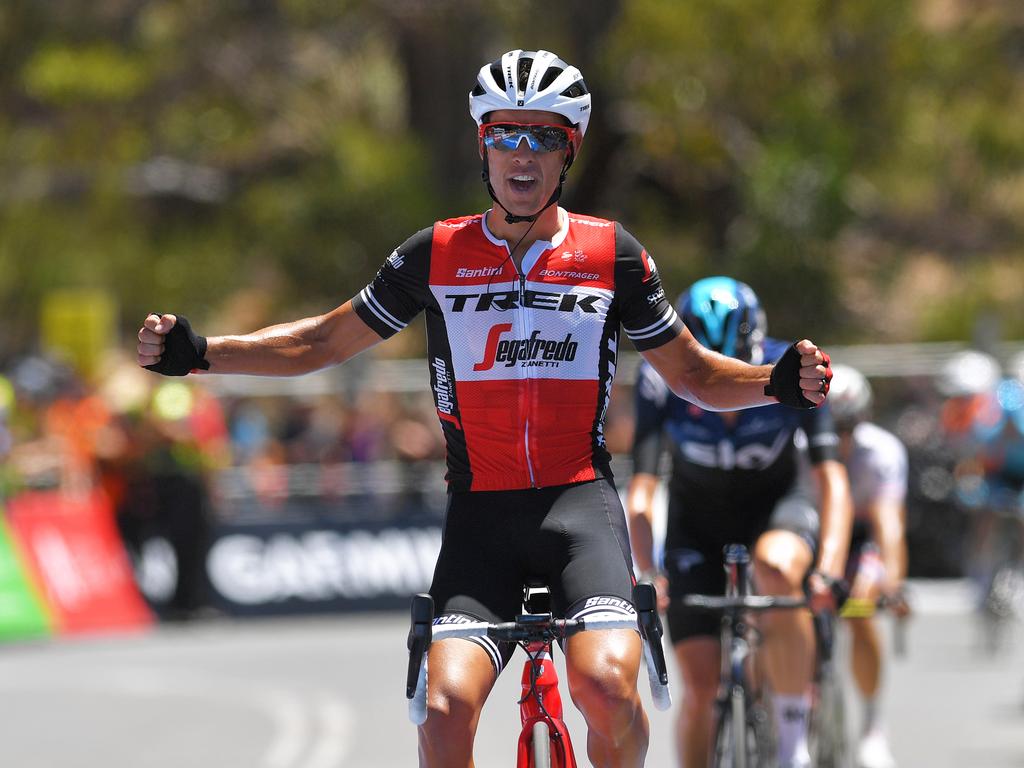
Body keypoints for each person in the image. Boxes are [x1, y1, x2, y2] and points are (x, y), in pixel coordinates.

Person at [137, 50, 833, 768]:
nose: (522, 155)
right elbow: (321, 341)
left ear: (571, 149)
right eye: (506, 135)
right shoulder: (434, 253)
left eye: (543, 137)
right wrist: (202, 352)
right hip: (480, 518)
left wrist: (774, 381)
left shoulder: (611, 254)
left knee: (606, 687)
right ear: (483, 143)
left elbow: (691, 373)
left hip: (579, 512)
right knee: (444, 714)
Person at [626, 276, 850, 768]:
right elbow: (641, 492)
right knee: (703, 689)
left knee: (776, 567)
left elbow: (830, 477)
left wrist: (828, 569)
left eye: (736, 371)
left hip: (776, 505)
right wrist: (647, 571)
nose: (719, 388)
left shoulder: (795, 367)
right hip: (696, 521)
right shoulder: (657, 379)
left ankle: (793, 748)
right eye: (706, 371)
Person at [828, 364, 910, 768]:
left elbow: (889, 524)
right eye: (832, 427)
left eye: (848, 427)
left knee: (859, 608)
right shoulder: (795, 445)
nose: (840, 437)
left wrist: (893, 582)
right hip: (814, 532)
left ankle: (873, 723)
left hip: (861, 538)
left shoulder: (882, 451)